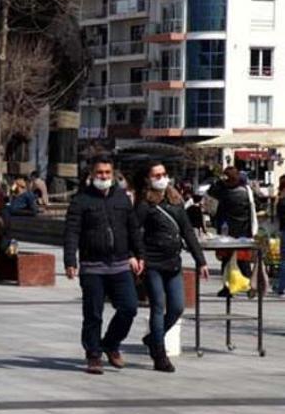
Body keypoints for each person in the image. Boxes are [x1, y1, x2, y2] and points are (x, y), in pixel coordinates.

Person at [63, 155, 143, 375]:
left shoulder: (122, 198)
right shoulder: (81, 200)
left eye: (107, 173)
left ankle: (110, 343)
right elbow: (71, 231)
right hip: (92, 266)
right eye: (100, 173)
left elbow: (132, 228)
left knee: (129, 307)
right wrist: (70, 260)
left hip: (119, 264)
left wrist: (139, 254)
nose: (104, 176)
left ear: (113, 173)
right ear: (92, 174)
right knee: (93, 314)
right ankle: (94, 354)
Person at [135, 161, 208, 372]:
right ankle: (159, 354)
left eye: (164, 174)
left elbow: (187, 231)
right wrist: (137, 256)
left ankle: (152, 338)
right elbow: (134, 231)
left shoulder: (176, 200)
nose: (162, 178)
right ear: (148, 179)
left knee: (177, 307)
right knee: (158, 307)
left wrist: (200, 260)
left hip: (173, 263)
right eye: (156, 175)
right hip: (153, 262)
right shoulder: (144, 204)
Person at [208, 166, 257, 279]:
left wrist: (218, 182)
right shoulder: (246, 191)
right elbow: (255, 206)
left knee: (226, 260)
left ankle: (227, 286)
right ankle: (248, 282)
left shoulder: (222, 190)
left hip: (226, 230)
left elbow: (210, 196)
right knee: (243, 260)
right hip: (244, 230)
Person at [275, 176, 285, 297]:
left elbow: (278, 216)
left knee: (284, 259)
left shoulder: (281, 200)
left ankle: (281, 286)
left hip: (284, 230)